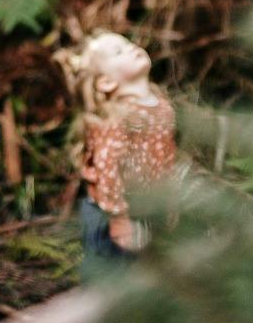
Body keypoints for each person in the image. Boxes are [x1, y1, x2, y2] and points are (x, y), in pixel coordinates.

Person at [60, 31, 177, 278]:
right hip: (109, 211)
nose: (132, 47)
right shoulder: (115, 119)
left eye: (128, 43)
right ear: (106, 82)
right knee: (108, 277)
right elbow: (107, 169)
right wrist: (119, 218)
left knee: (143, 275)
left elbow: (165, 158)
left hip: (144, 206)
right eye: (118, 51)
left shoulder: (162, 108)